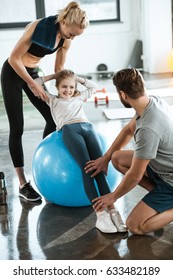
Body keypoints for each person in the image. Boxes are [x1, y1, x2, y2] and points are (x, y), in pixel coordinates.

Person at [1, 1, 89, 202]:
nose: (72, 37)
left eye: (76, 35)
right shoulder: (38, 26)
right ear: (64, 21)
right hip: (13, 73)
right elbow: (14, 58)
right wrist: (33, 84)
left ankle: (43, 161)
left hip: (33, 73)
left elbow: (59, 69)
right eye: (72, 33)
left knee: (53, 117)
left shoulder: (66, 37)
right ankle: (23, 184)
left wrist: (66, 92)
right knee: (17, 128)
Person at [35, 69, 127, 233]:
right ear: (57, 87)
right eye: (64, 86)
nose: (68, 90)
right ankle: (100, 216)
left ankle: (113, 212)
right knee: (88, 169)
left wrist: (75, 78)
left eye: (71, 87)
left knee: (99, 169)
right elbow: (36, 84)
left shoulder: (78, 97)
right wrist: (55, 76)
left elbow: (94, 86)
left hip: (88, 127)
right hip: (70, 130)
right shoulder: (52, 100)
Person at [85, 67, 173, 235]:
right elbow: (128, 130)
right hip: (163, 167)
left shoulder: (149, 128)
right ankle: (159, 197)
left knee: (135, 226)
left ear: (123, 95)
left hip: (171, 180)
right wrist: (106, 158)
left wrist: (113, 197)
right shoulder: (151, 102)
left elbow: (135, 175)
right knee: (117, 158)